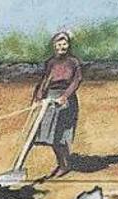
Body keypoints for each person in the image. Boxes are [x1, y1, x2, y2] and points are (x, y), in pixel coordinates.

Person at [32, 30, 82, 178]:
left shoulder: (74, 62)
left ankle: (64, 165)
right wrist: (38, 97)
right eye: (59, 44)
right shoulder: (51, 63)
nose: (62, 46)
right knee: (50, 136)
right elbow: (45, 81)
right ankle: (62, 163)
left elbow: (77, 80)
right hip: (50, 100)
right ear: (55, 46)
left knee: (59, 135)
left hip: (66, 100)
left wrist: (65, 96)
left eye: (65, 43)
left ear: (68, 45)